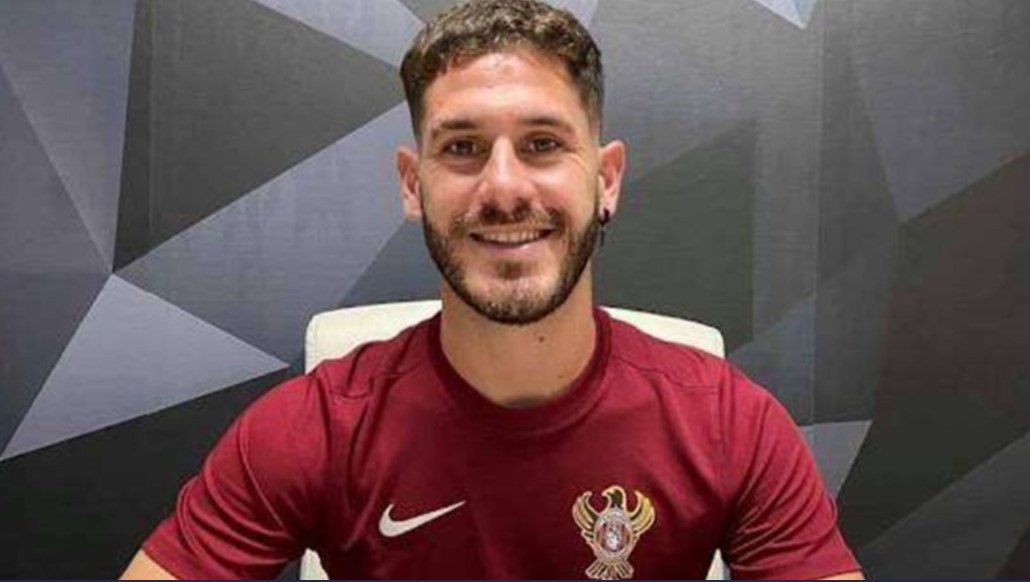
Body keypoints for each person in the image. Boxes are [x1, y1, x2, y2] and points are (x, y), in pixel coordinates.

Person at [121, 0, 862, 579]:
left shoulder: (730, 425)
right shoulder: (314, 429)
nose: (504, 188)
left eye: (542, 144)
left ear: (606, 180)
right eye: (462, 148)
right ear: (413, 184)